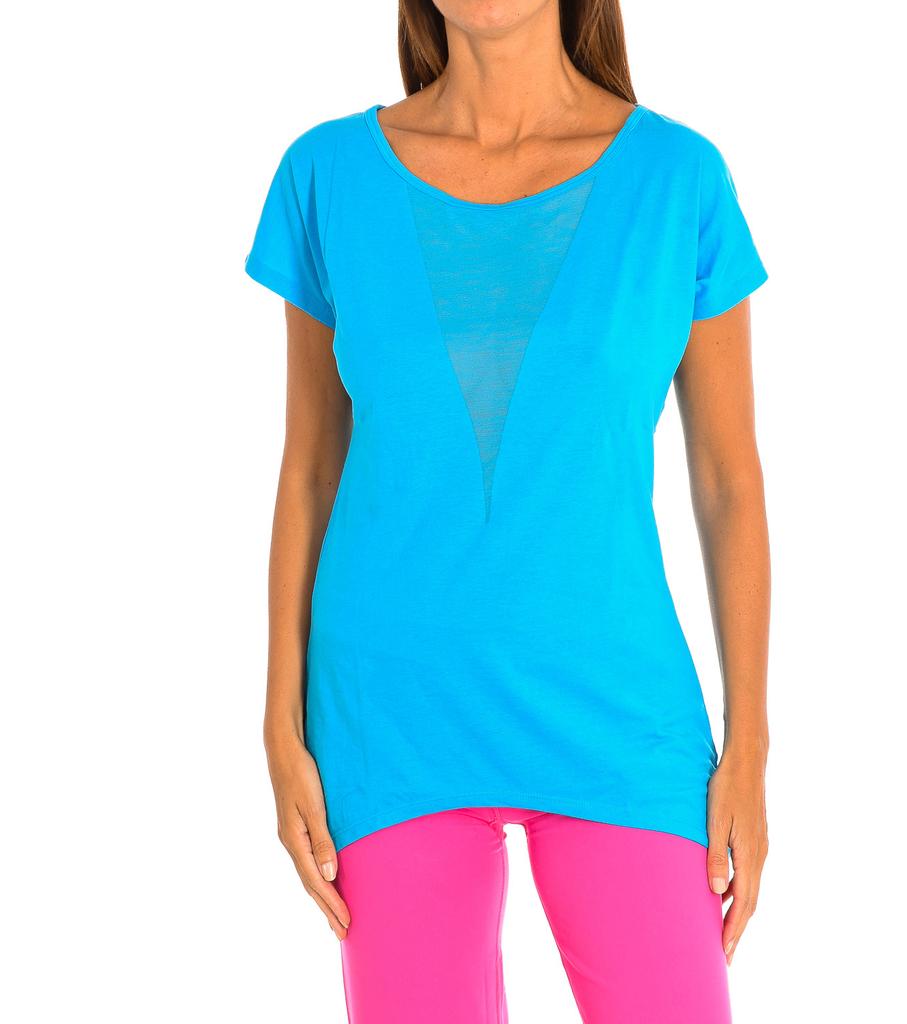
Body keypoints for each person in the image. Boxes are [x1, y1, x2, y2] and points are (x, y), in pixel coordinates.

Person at [244, 1, 770, 1020]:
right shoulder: (326, 175)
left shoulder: (679, 180)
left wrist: (748, 742)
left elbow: (727, 479)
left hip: (618, 706)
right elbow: (309, 467)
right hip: (388, 713)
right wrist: (279, 724)